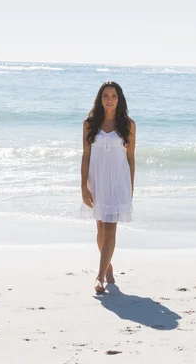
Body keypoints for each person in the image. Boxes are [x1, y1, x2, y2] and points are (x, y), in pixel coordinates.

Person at [81, 81, 135, 293]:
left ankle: (100, 276)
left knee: (111, 228)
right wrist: (84, 187)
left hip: (118, 182)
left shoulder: (129, 125)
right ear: (100, 99)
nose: (109, 100)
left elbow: (131, 158)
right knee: (100, 230)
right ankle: (108, 264)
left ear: (119, 99)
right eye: (106, 96)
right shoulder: (89, 124)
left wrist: (130, 187)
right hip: (97, 181)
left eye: (113, 96)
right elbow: (86, 156)